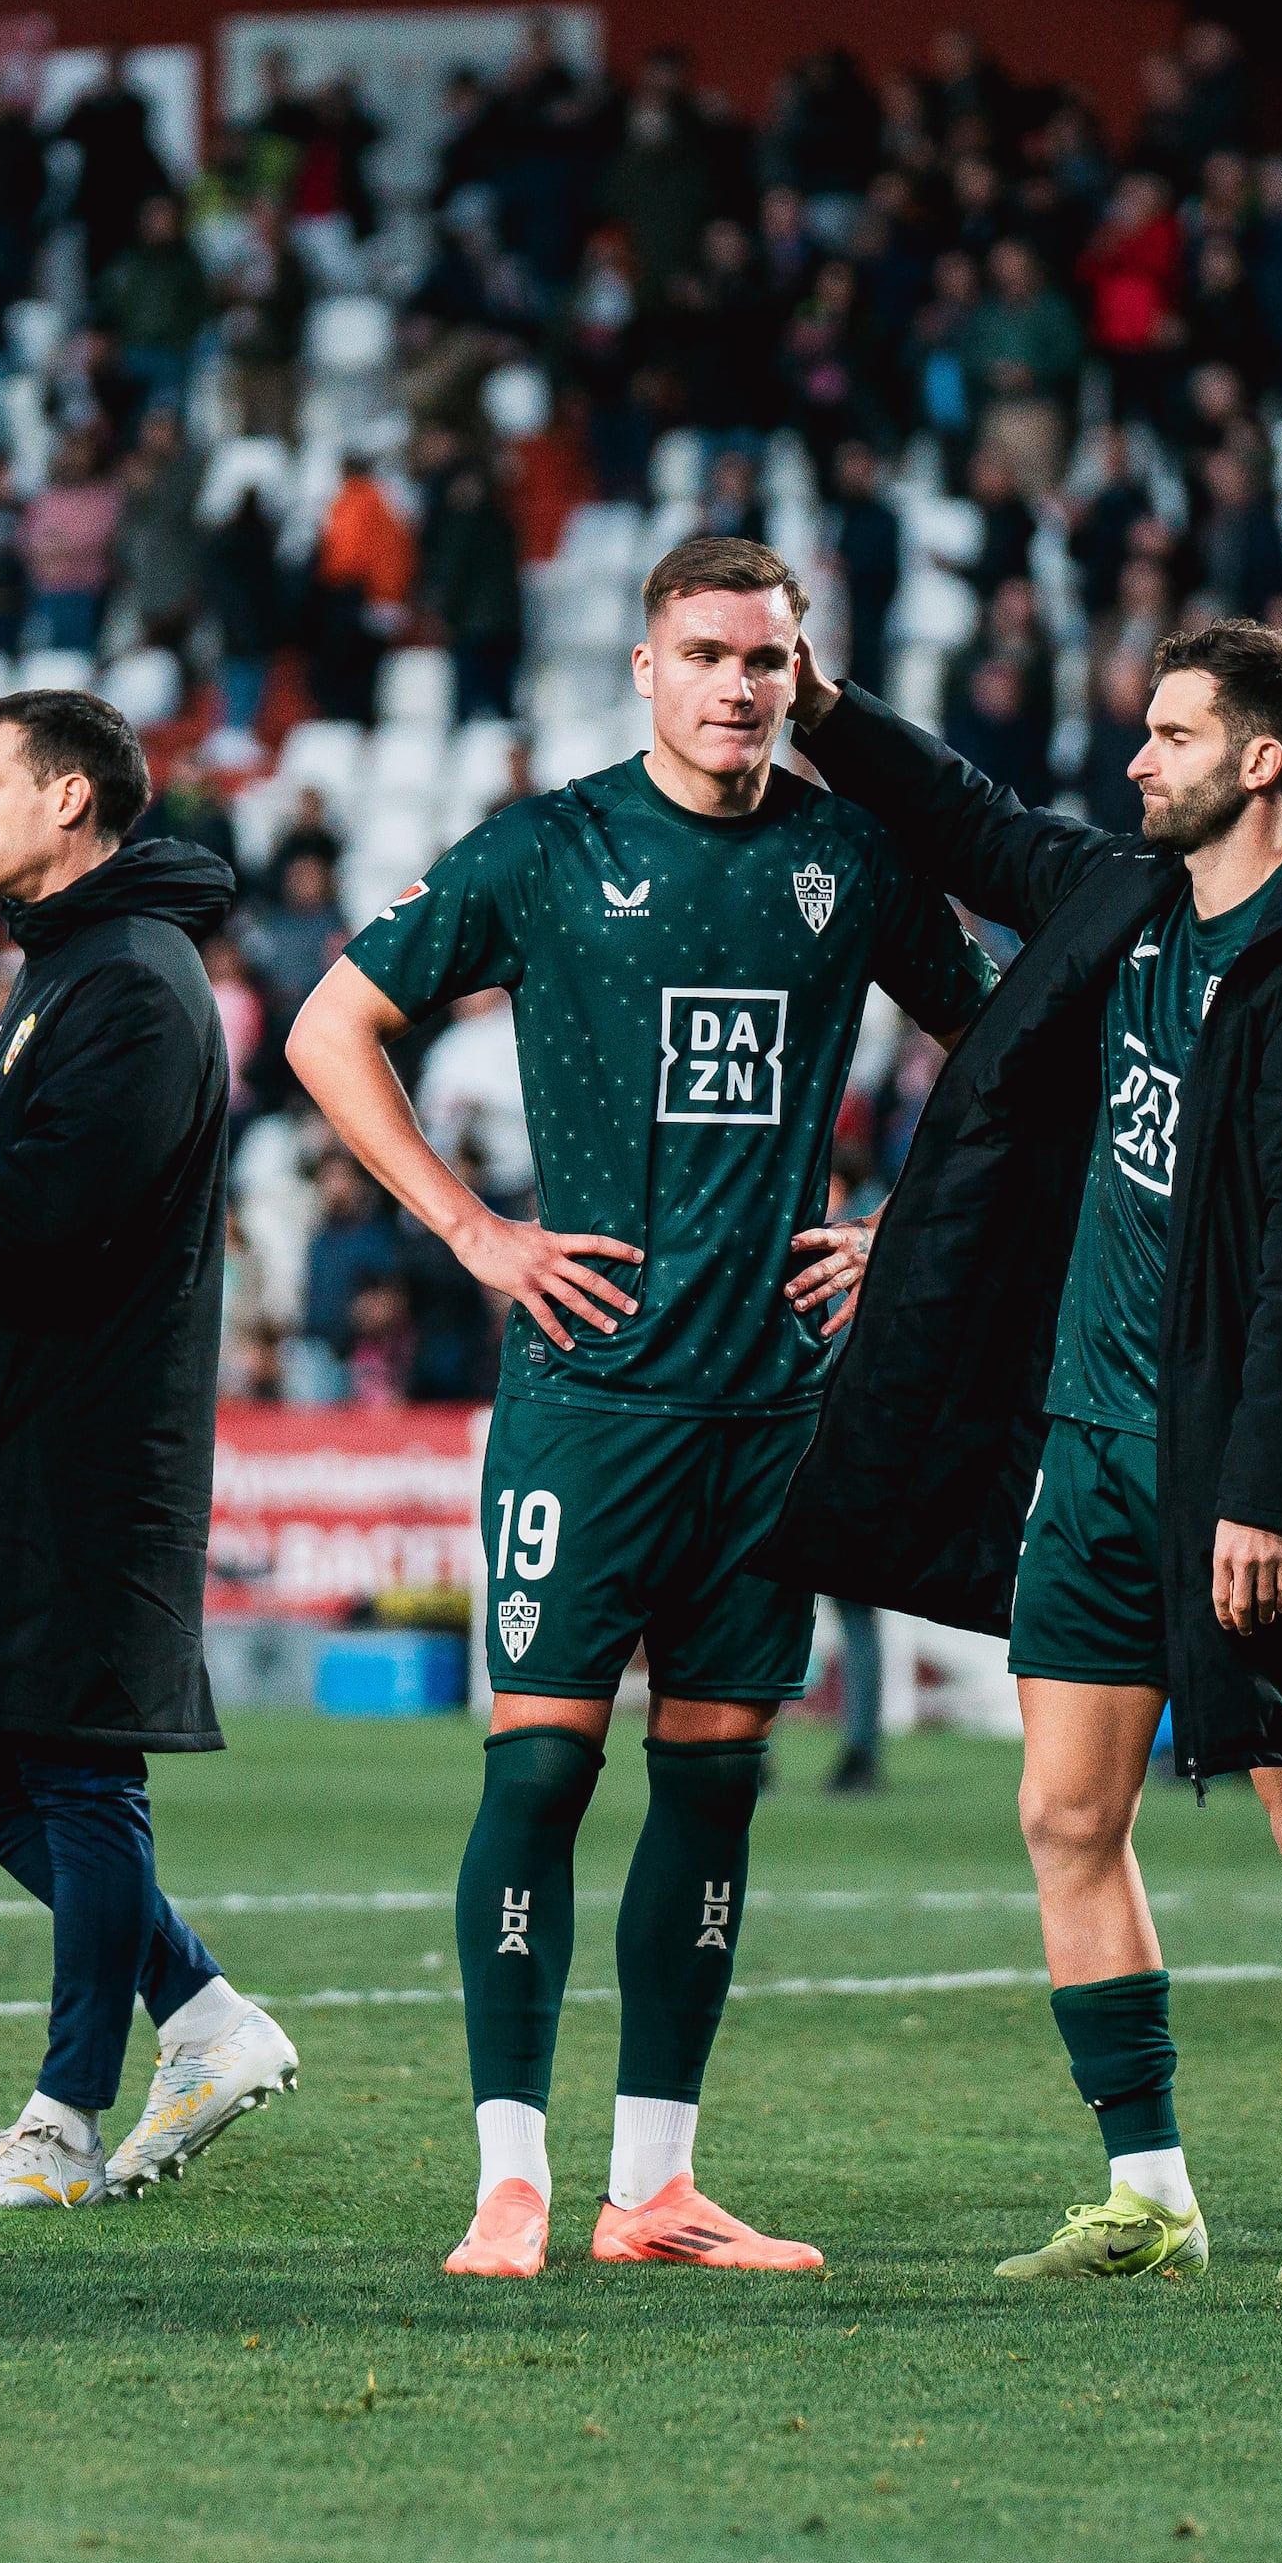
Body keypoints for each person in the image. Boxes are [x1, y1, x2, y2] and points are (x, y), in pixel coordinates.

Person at [284, 536, 992, 2281]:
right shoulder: (549, 845)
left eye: (769, 658)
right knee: (540, 1767)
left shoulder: (851, 854)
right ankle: (509, 2175)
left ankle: (654, 2186)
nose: (741, 685)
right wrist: (470, 1231)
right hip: (588, 1392)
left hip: (773, 1404)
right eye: (708, 653)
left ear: (800, 675)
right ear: (646, 668)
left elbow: (1011, 1055)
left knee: (719, 1782)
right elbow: (327, 1027)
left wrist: (900, 1237)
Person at [768, 618, 1282, 2288]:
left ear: (1261, 761)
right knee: (1067, 1814)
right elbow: (974, 820)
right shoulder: (1125, 904)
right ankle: (1149, 2184)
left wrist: (1264, 1488)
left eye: (1173, 734)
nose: (1139, 758)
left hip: (1251, 1470)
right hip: (1089, 1450)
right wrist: (827, 708)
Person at [0, 687, 301, 2210]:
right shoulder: (70, 968)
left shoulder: (130, 979)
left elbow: (44, 1217)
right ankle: (199, 2011)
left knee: (73, 1765)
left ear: (72, 802)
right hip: (20, 1428)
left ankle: (62, 2123)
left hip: (89, 1440)